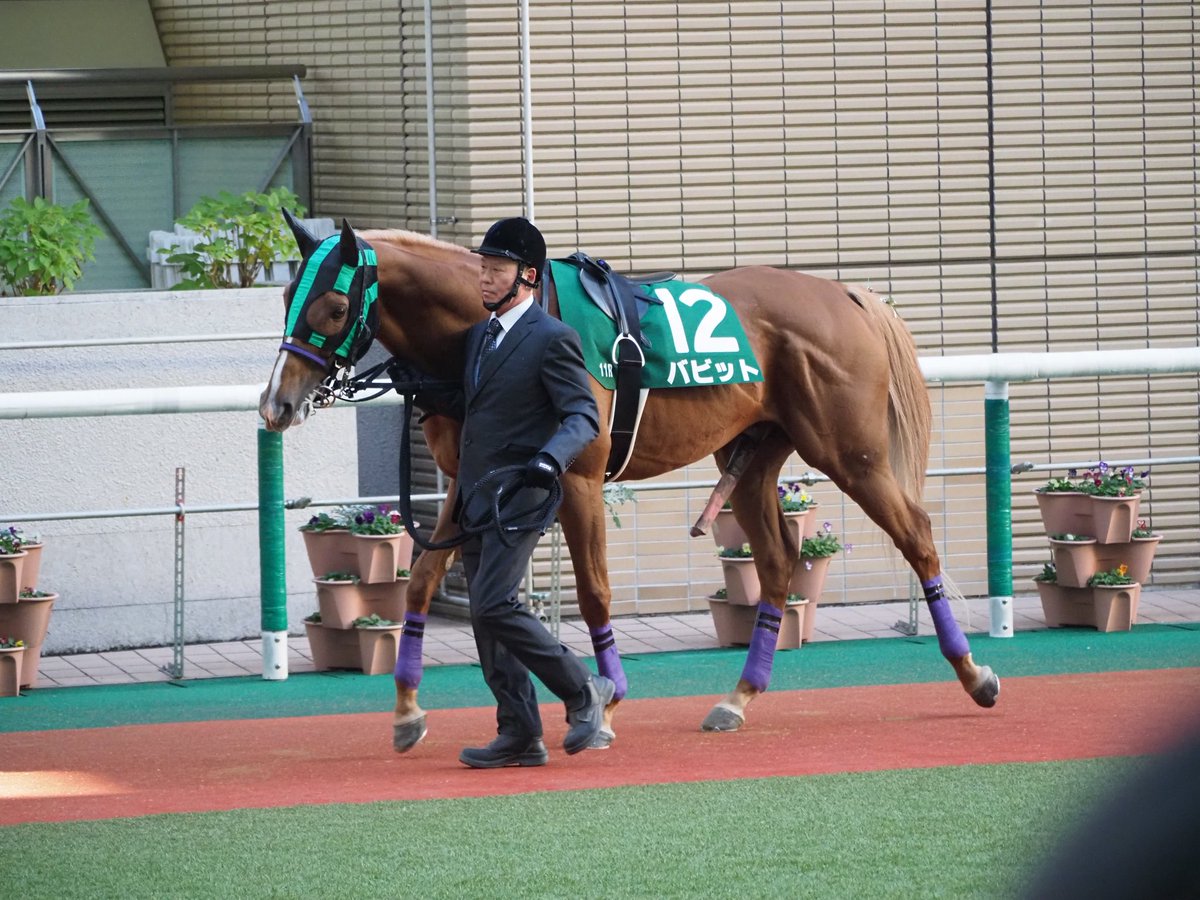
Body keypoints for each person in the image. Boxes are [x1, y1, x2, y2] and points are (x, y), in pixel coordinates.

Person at [454, 216, 614, 768]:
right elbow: (479, 404)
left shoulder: (553, 338)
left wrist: (550, 459)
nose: (484, 277)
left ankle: (583, 687)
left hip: (521, 493)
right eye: (482, 267)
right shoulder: (479, 336)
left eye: (495, 269)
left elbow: (583, 415)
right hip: (476, 495)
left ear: (527, 275)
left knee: (495, 603)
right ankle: (520, 732)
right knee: (485, 616)